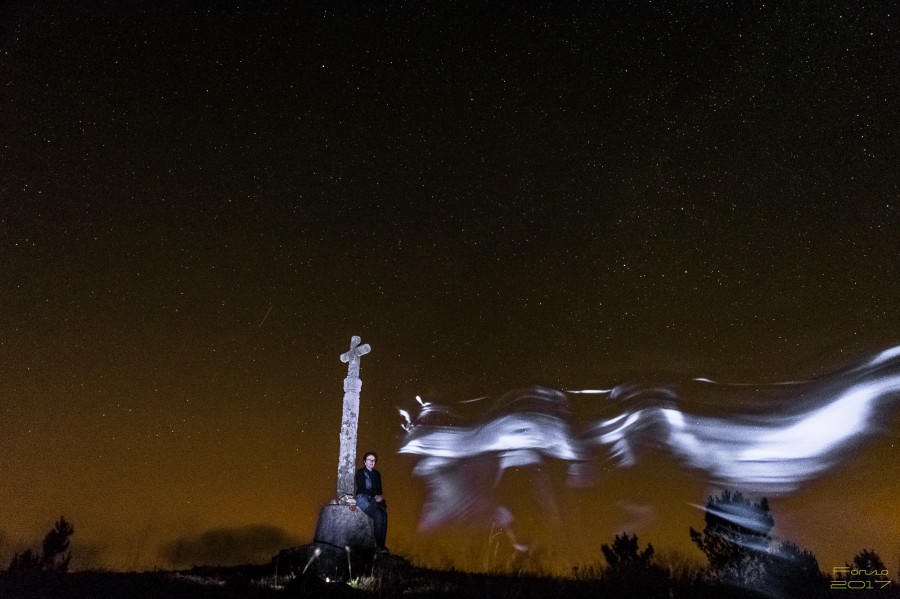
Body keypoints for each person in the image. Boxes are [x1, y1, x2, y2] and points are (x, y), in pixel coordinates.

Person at [355, 451, 388, 551]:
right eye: (369, 460)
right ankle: (378, 546)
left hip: (375, 499)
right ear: (365, 462)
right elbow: (361, 488)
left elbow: (379, 489)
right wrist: (374, 496)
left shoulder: (377, 474)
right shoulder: (360, 473)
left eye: (374, 460)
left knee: (384, 515)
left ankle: (382, 544)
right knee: (378, 514)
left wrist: (381, 500)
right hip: (363, 498)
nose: (372, 462)